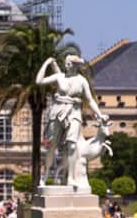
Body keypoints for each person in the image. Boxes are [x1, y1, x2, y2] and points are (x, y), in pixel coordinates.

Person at [36, 54, 104, 186]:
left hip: (74, 112)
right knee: (51, 146)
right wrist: (47, 63)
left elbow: (90, 100)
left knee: (72, 145)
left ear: (76, 66)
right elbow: (39, 81)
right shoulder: (59, 76)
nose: (68, 65)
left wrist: (99, 114)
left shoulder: (82, 80)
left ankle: (71, 178)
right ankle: (44, 176)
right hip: (57, 112)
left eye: (71, 63)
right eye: (67, 63)